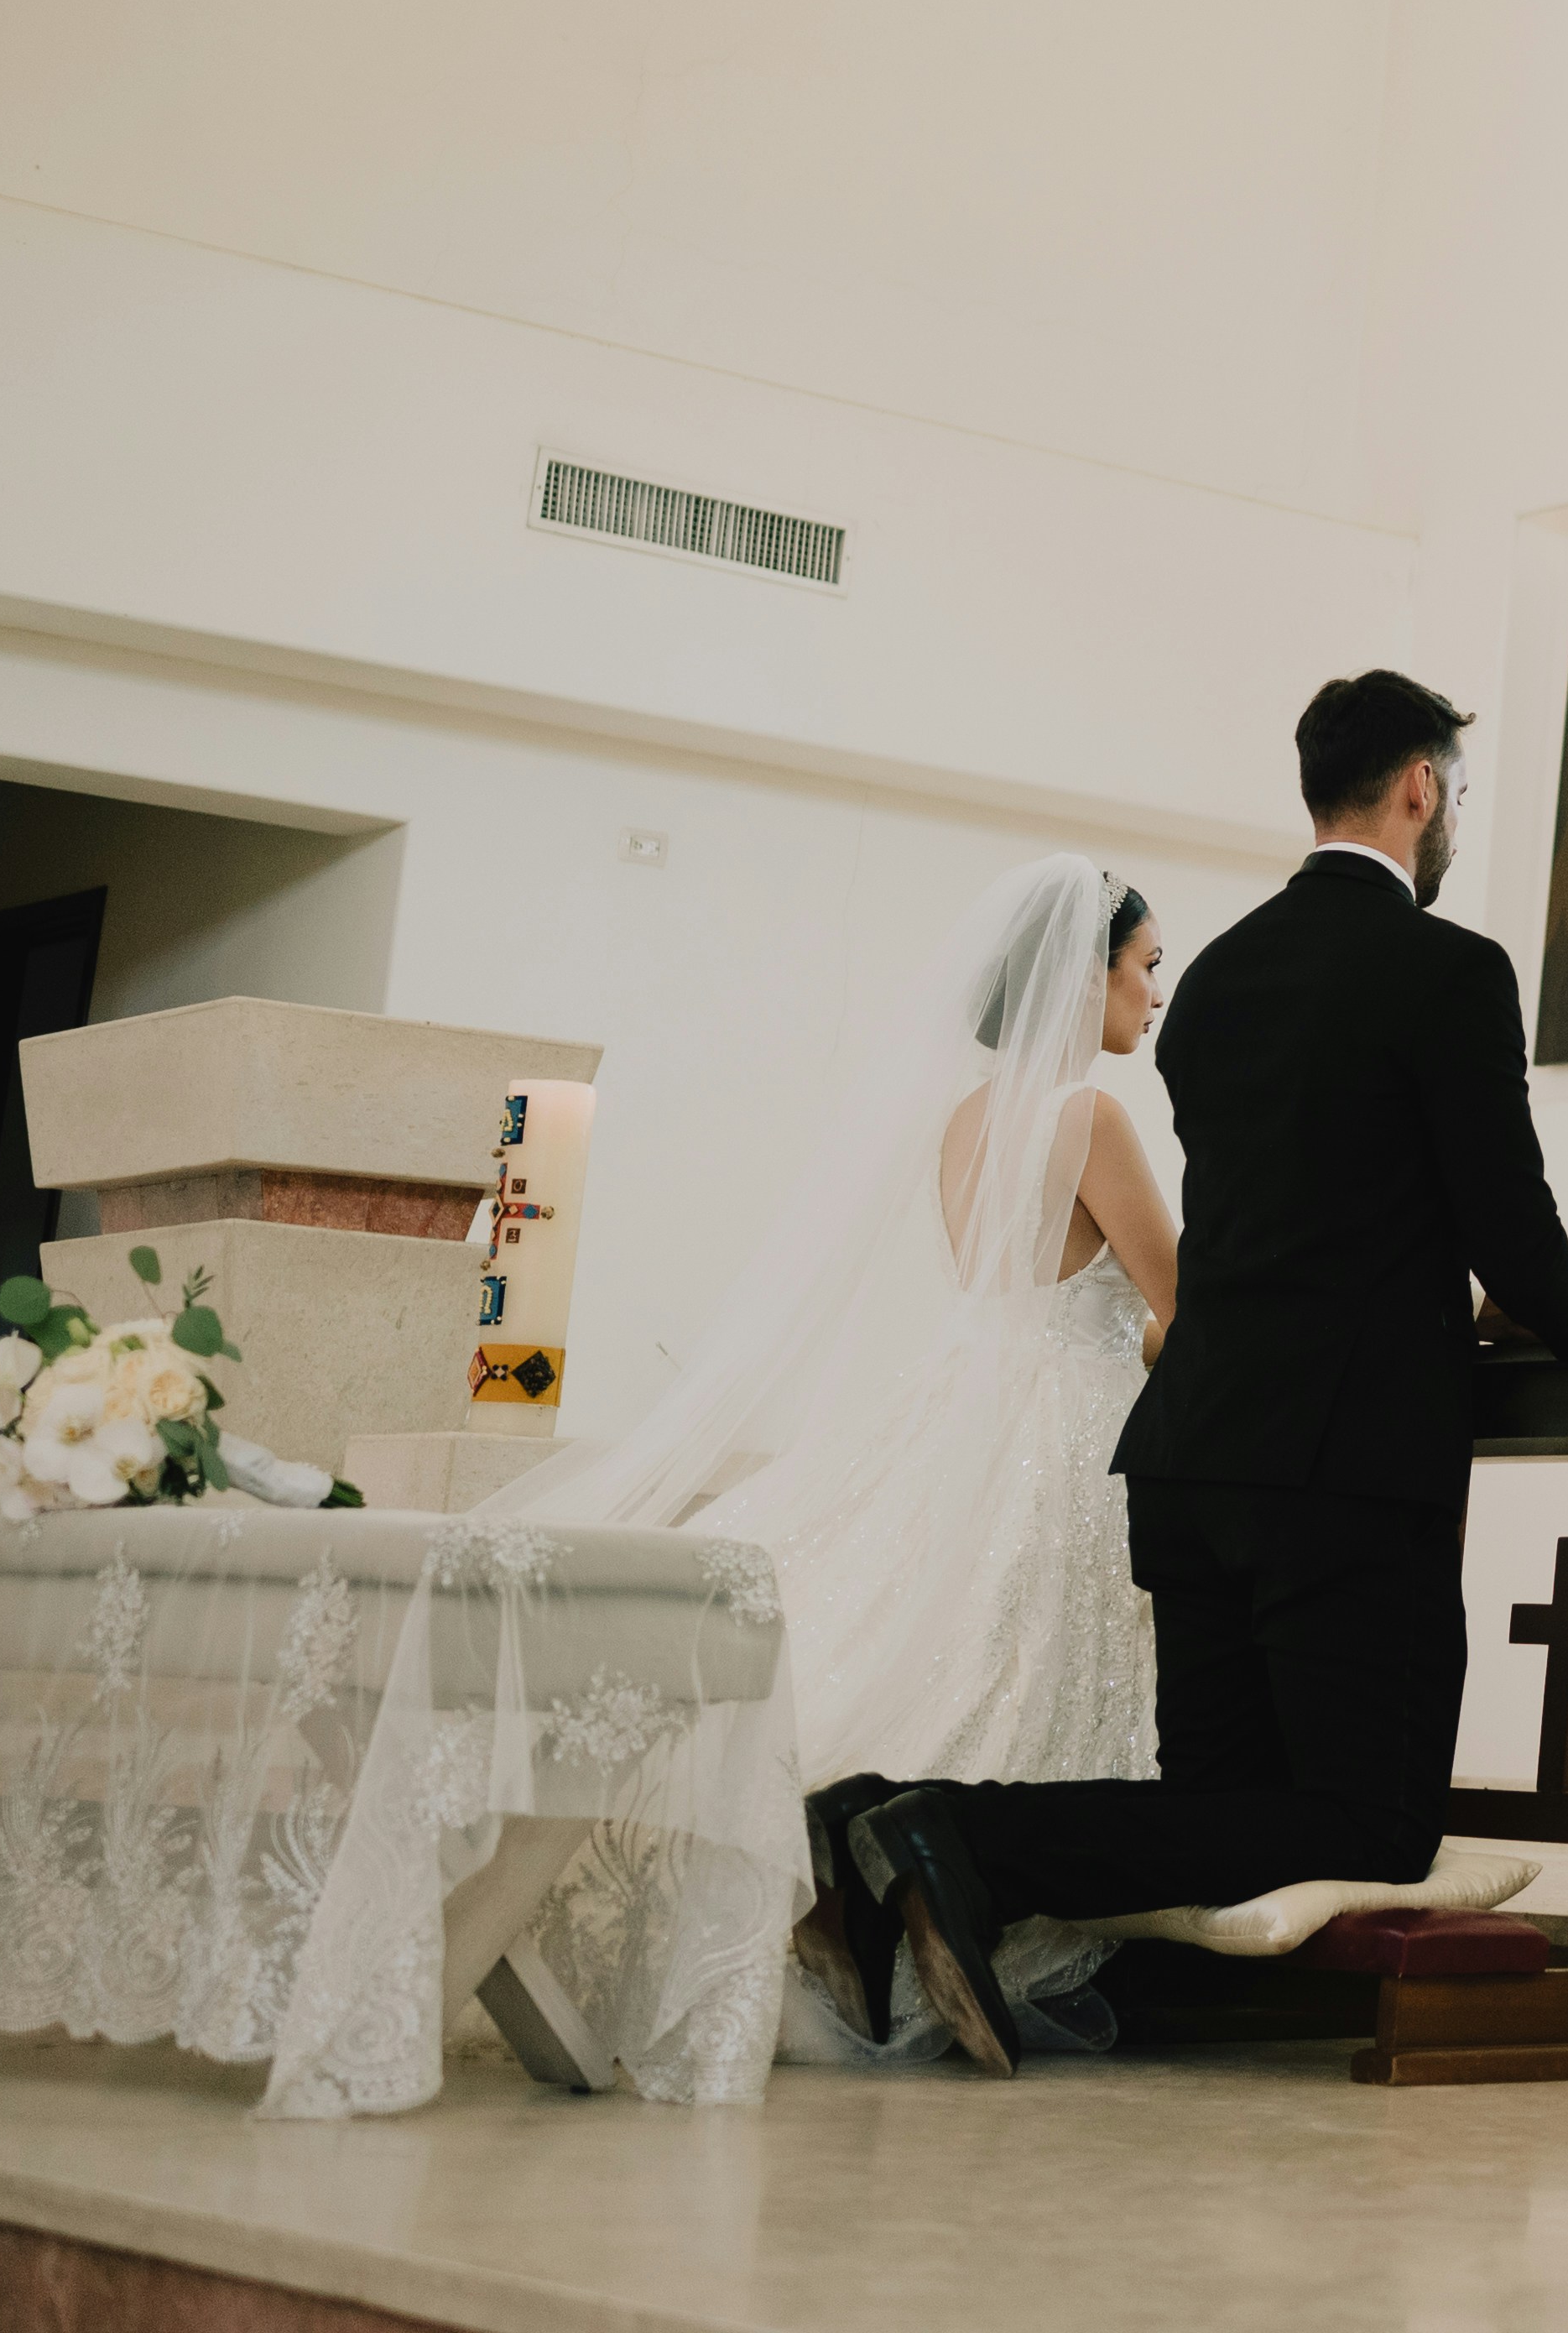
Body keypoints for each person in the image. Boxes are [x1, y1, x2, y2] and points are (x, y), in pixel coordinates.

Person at [802, 671, 1568, 2074]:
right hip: (1345, 1472)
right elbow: (1507, 1216)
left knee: (1229, 1802)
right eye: (1455, 791)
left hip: (1191, 1461)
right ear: (1422, 784)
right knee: (1367, 1823)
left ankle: (890, 1811)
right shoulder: (1452, 971)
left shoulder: (1219, 988)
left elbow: (1285, 1224)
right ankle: (950, 1829)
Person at [487, 850, 1182, 2060]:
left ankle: (832, 1867)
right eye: (1145, 966)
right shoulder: (1093, 1118)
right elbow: (1187, 1306)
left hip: (969, 1408)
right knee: (1017, 1663)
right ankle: (943, 1880)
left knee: (932, 1636)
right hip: (1074, 1423)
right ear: (1086, 973)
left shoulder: (966, 1122)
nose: (1155, 993)